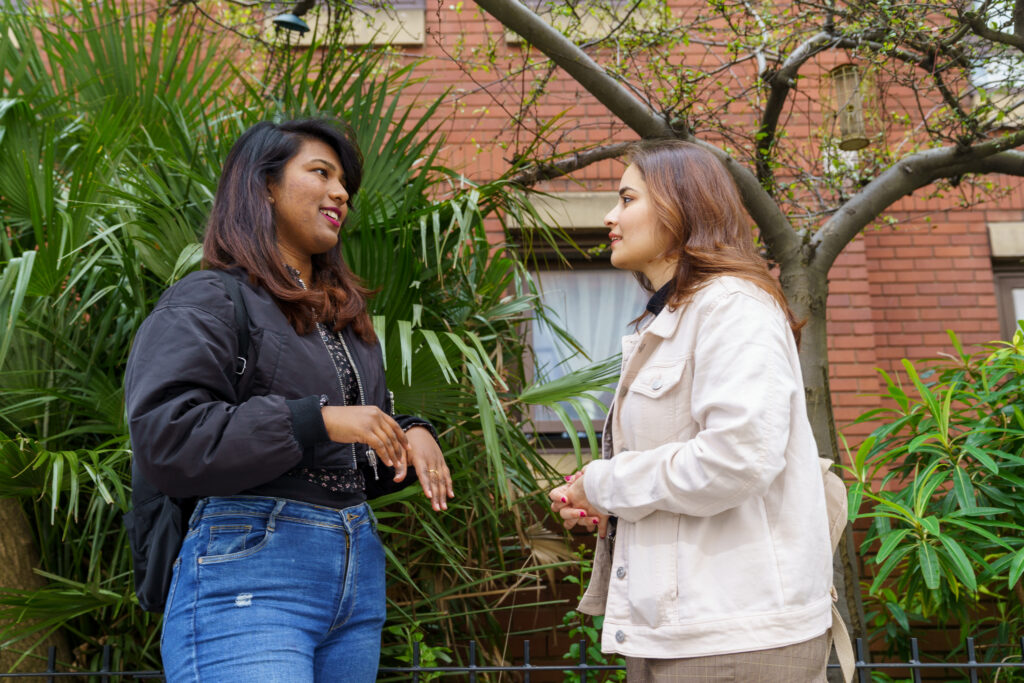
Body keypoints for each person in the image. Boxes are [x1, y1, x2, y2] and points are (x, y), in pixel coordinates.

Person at [124, 119, 453, 682]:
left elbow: (341, 446)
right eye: (320, 173)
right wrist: (316, 420)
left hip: (354, 572)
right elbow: (167, 435)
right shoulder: (208, 298)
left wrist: (408, 433)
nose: (341, 192)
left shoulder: (346, 324)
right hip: (250, 568)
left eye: (345, 182)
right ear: (265, 186)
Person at [549, 140, 833, 682]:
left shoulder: (732, 306)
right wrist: (611, 504)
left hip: (734, 638)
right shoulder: (679, 316)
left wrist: (607, 483)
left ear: (682, 207)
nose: (610, 216)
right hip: (685, 631)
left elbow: (737, 459)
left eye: (627, 198)